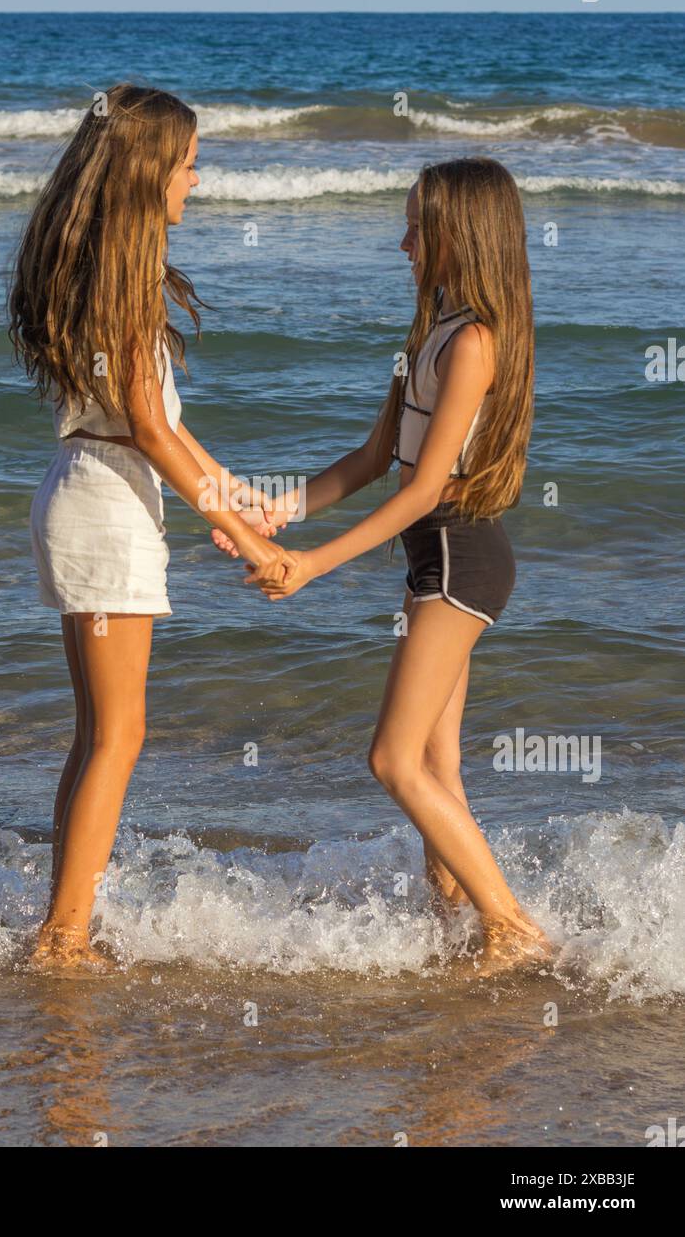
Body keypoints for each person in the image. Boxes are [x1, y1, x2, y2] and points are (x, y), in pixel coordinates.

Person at [233, 157, 551, 973]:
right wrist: (278, 510)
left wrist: (309, 565)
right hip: (436, 564)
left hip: (459, 560)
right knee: (436, 767)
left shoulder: (474, 342)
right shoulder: (429, 334)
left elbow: (423, 494)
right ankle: (454, 934)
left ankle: (512, 929)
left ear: (458, 234)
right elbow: (376, 458)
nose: (402, 241)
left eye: (417, 226)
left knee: (392, 760)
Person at [9, 83, 290, 969]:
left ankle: (62, 920)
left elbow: (153, 426)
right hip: (107, 512)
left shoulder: (96, 270)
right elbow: (153, 429)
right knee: (119, 734)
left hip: (86, 490)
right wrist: (251, 543)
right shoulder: (123, 281)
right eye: (189, 165)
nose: (196, 183)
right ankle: (63, 937)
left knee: (99, 731)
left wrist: (234, 494)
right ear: (148, 174)